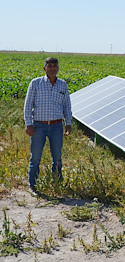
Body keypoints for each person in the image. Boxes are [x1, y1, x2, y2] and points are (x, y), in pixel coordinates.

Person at [23, 57, 72, 192]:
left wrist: (68, 123)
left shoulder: (62, 85)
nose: (52, 68)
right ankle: (33, 184)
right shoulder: (36, 83)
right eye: (49, 66)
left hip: (56, 126)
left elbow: (67, 105)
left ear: (58, 68)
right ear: (44, 68)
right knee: (36, 157)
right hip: (38, 126)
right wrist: (28, 124)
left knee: (57, 157)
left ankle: (56, 182)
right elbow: (28, 105)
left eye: (55, 66)